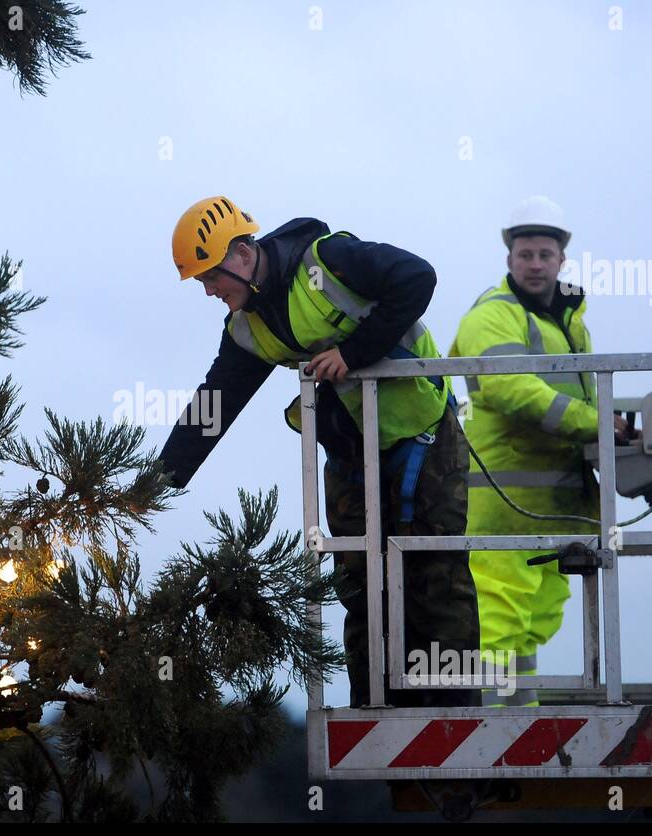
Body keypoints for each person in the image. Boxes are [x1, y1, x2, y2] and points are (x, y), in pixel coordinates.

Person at [156, 195, 478, 708]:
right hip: (352, 453)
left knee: (434, 577)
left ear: (241, 253)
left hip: (423, 435)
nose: (210, 290)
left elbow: (418, 277)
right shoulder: (247, 326)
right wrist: (156, 484)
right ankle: (376, 715)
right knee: (358, 583)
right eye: (202, 282)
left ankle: (456, 719)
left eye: (211, 276)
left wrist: (353, 353)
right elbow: (214, 404)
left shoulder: (330, 262)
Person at [449, 195, 633, 707]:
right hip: (502, 504)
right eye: (525, 254)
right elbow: (511, 390)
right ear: (509, 259)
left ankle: (516, 717)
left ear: (561, 260)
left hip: (549, 507)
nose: (534, 264)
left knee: (532, 620)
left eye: (544, 255)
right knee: (499, 620)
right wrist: (596, 426)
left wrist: (604, 431)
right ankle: (487, 731)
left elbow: (577, 396)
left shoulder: (568, 321)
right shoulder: (493, 316)